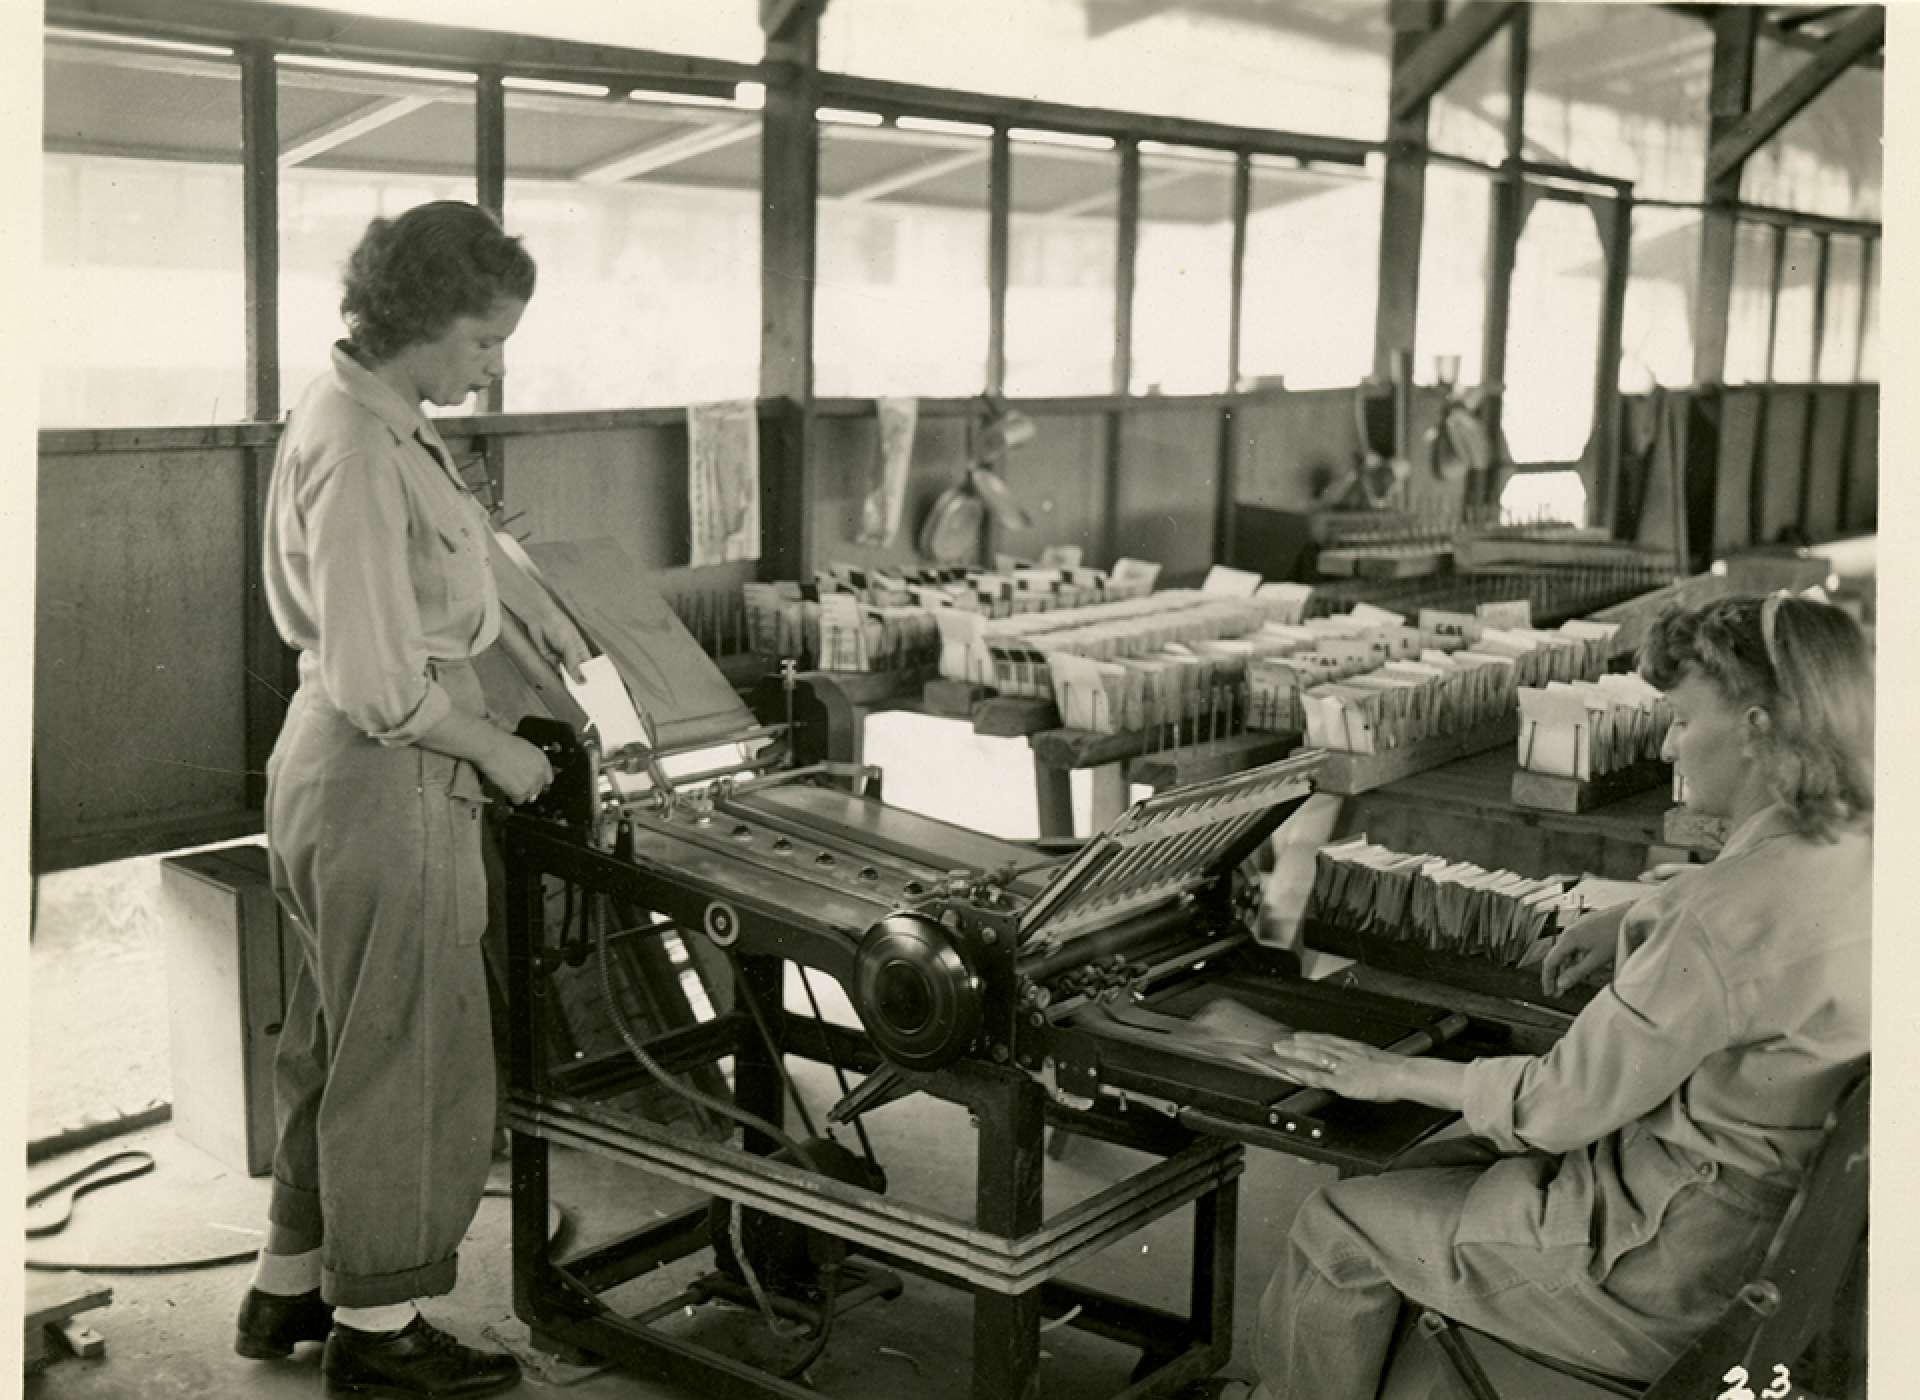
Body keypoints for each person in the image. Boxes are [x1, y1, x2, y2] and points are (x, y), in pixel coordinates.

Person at [1185, 592, 1873, 1400]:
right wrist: (1635, 916)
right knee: (1439, 1163)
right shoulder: (1862, 850)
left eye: (1684, 718)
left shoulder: (1718, 925)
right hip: (1756, 1244)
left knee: (1336, 1226)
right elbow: (1756, 926)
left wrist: (1388, 1072)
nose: (1668, 742)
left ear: (1759, 728)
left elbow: (1560, 1104)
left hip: (1656, 1270)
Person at [233, 201, 591, 1399]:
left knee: (342, 1036)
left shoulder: (371, 415)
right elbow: (386, 678)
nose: (497, 362)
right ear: (426, 322)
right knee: (413, 1051)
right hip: (388, 770)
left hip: (333, 765)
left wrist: (538, 610)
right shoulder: (359, 443)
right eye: (486, 339)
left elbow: (457, 556)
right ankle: (380, 1335)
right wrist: (502, 751)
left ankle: (290, 1282)